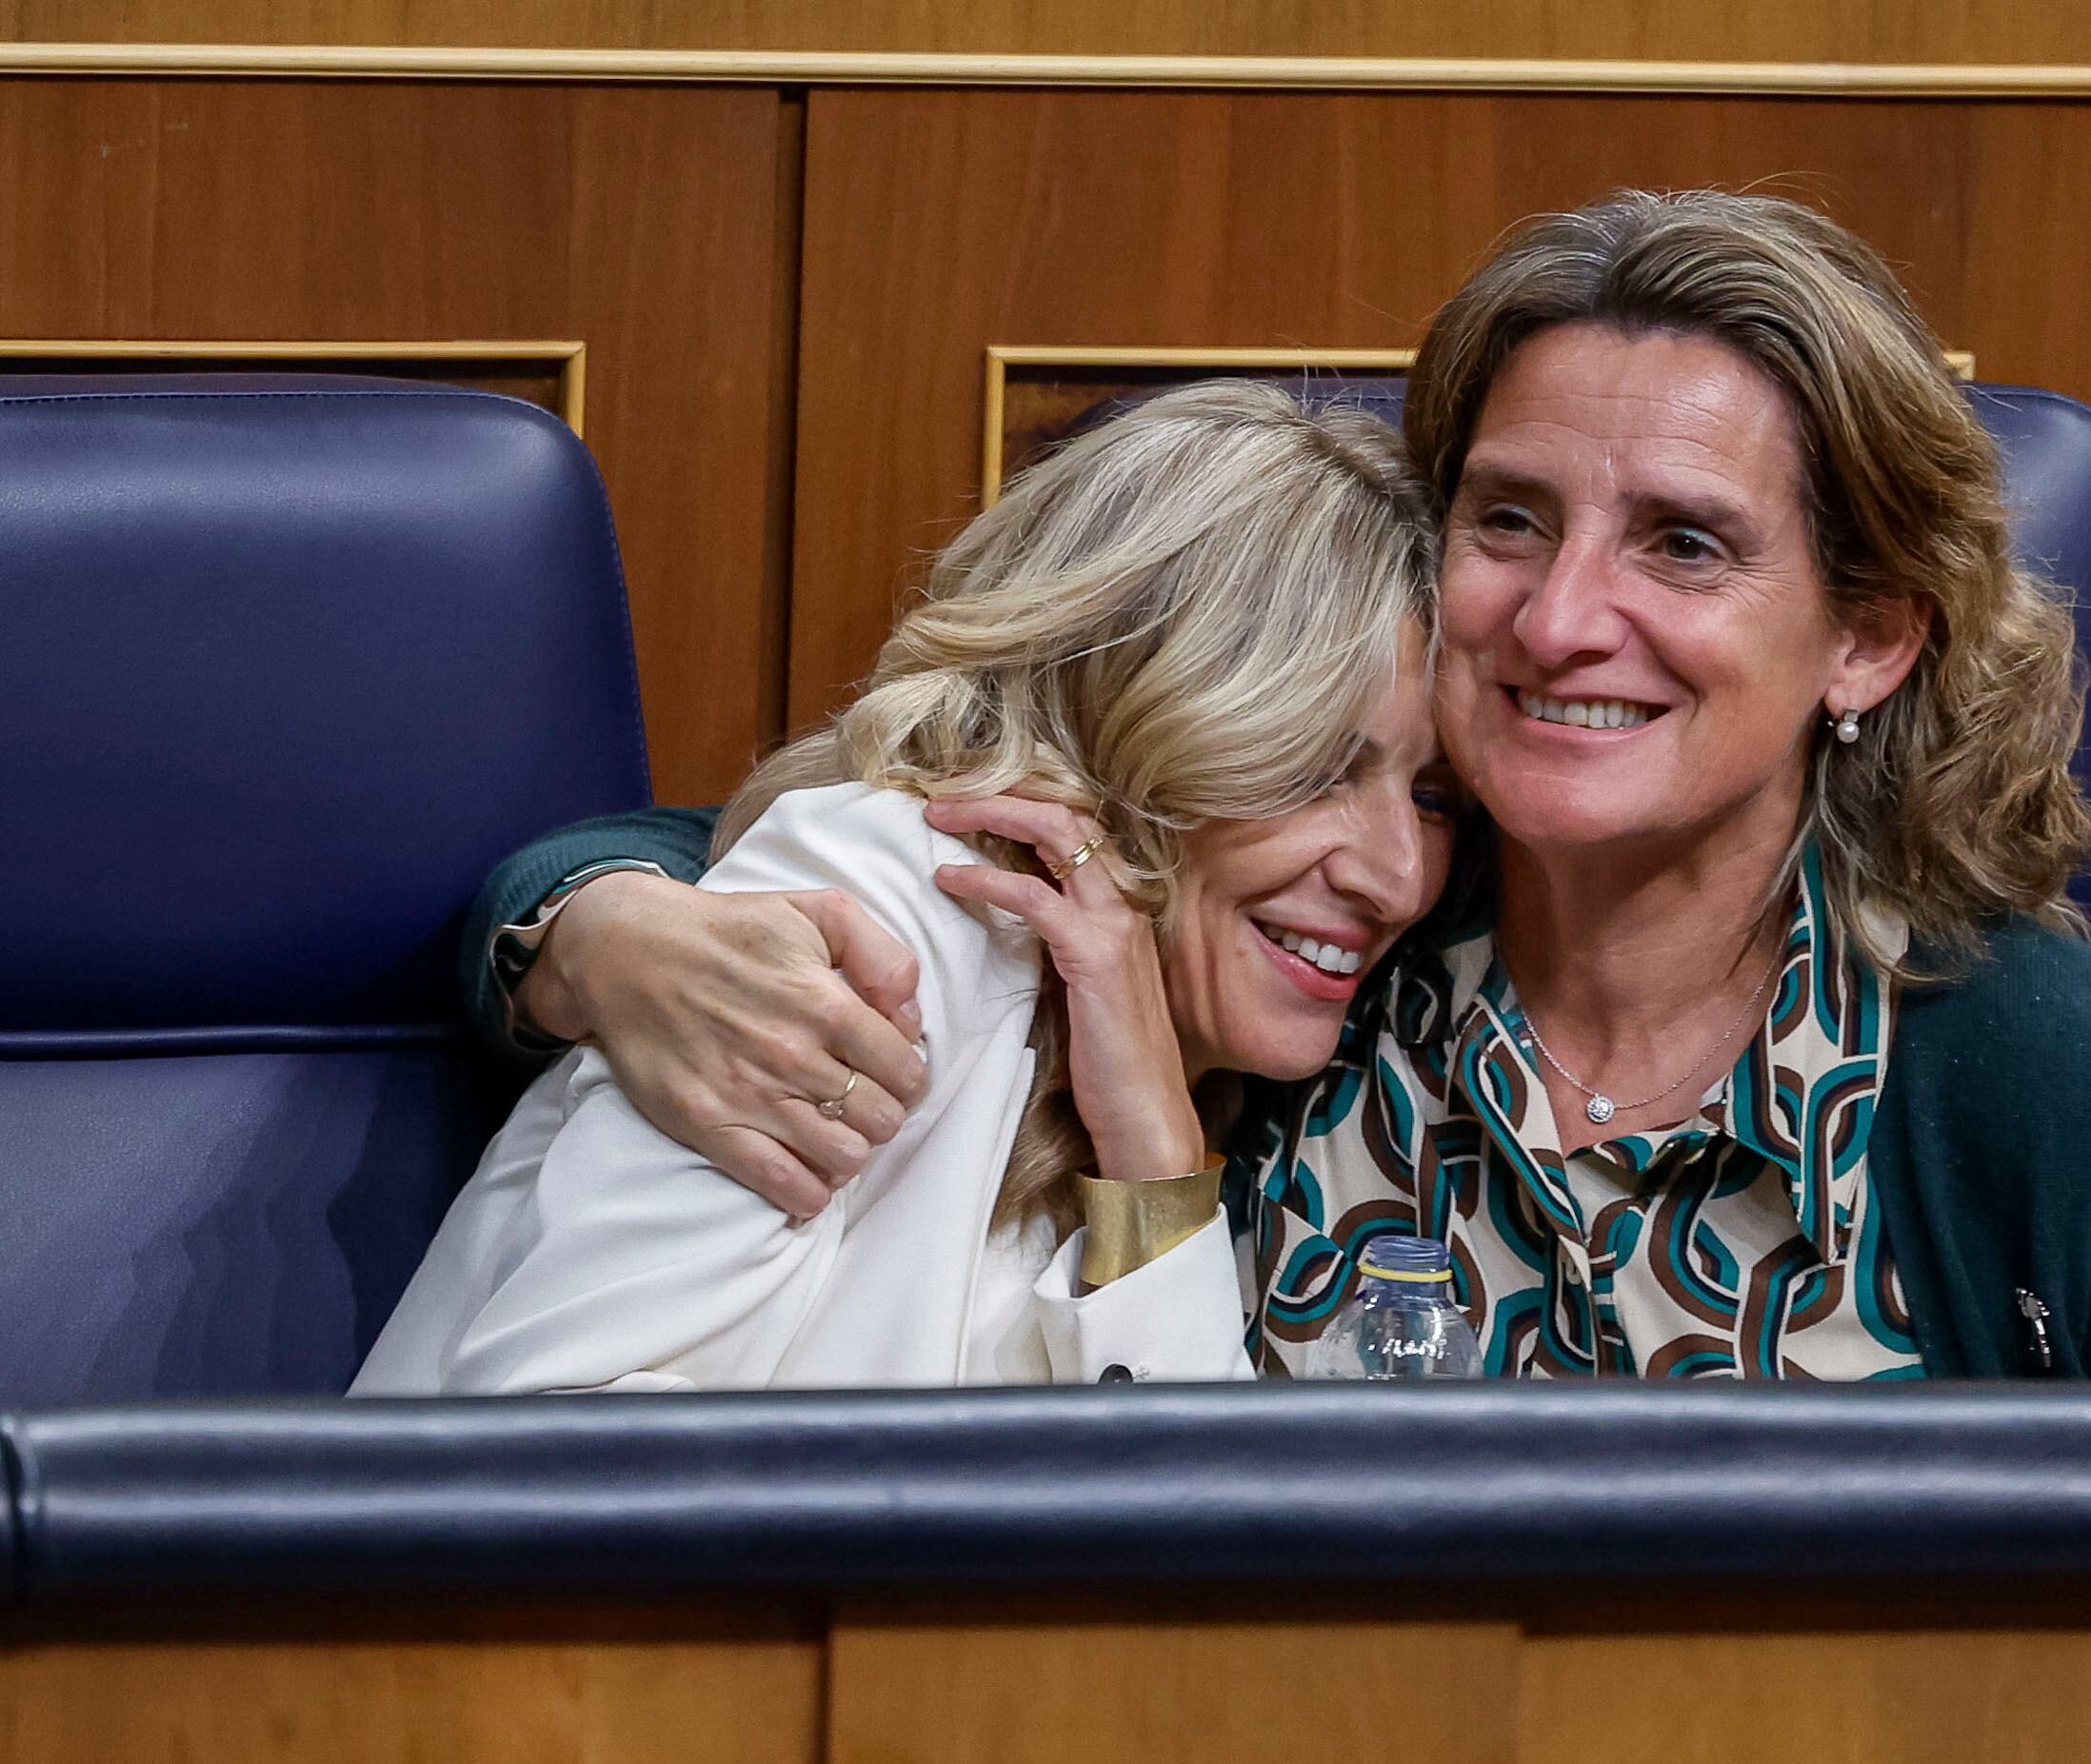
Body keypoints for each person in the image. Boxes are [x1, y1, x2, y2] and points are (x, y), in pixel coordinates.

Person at [467, 190, 2091, 1383]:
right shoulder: (1313, 935)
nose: (1565, 615)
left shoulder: (2033, 1067)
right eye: (1509, 517)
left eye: (1687, 546)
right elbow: (907, 818)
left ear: (1869, 639)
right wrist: (587, 925)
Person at [352, 381, 1451, 1393]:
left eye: (1438, 795)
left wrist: (1155, 1166)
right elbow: (550, 1474)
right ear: (1135, 728)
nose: (1398, 875)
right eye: (1313, 769)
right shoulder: (884, 908)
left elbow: (1184, 1536)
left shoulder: (1232, 1057)